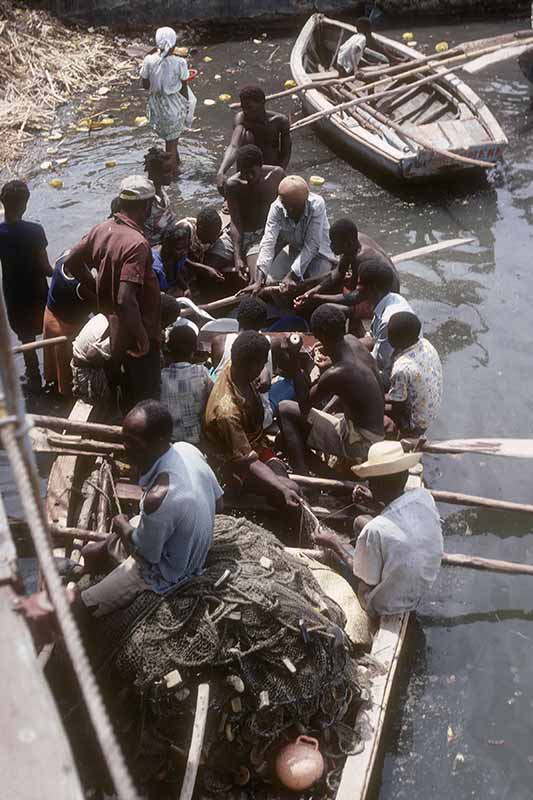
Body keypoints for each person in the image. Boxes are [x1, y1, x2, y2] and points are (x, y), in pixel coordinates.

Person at [80, 400, 223, 617]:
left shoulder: (158, 496)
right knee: (95, 549)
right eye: (124, 439)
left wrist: (120, 525)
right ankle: (92, 559)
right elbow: (219, 503)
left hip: (168, 573)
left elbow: (146, 557)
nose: (125, 448)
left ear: (159, 441)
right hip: (184, 545)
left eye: (133, 443)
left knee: (80, 606)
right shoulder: (187, 449)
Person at [65, 175, 162, 410]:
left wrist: (96, 288)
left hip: (113, 329)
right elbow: (126, 299)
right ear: (145, 206)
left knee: (119, 382)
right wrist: (142, 339)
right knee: (143, 397)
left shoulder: (101, 229)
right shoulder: (137, 243)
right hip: (135, 332)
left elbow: (71, 262)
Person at [313, 441, 443, 617]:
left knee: (337, 551)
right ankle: (365, 554)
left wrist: (334, 544)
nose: (369, 485)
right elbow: (398, 517)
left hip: (386, 603)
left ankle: (347, 556)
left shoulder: (375, 530)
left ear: (374, 485)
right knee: (360, 521)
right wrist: (375, 502)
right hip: (425, 583)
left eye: (371, 482)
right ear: (404, 476)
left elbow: (365, 578)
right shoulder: (424, 496)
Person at [278, 304, 384, 475]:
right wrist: (329, 359)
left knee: (284, 409)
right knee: (323, 409)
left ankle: (305, 477)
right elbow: (351, 383)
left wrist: (294, 361)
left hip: (362, 443)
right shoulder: (353, 341)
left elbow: (304, 406)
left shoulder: (338, 374)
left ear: (322, 336)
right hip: (375, 431)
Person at [204, 330, 301, 509]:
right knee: (288, 489)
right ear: (251, 365)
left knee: (288, 487)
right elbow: (247, 461)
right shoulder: (227, 411)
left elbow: (253, 362)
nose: (265, 367)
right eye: (262, 363)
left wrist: (263, 370)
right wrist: (280, 487)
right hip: (234, 466)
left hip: (257, 447)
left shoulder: (238, 365)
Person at [0, 180, 53, 392]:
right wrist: (64, 269)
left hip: (14, 293)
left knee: (26, 335)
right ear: (25, 205)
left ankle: (33, 376)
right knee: (50, 330)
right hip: (37, 291)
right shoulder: (35, 231)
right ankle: (54, 373)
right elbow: (45, 268)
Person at [294, 218, 399, 317]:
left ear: (348, 244)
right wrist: (313, 290)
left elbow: (355, 297)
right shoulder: (354, 241)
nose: (331, 247)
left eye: (334, 243)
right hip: (375, 285)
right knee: (338, 285)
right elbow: (337, 274)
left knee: (328, 308)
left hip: (383, 298)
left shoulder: (361, 258)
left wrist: (319, 298)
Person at [251, 176, 336, 289]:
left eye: (295, 207)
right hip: (295, 251)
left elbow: (312, 246)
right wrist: (259, 280)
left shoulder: (317, 204)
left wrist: (291, 275)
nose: (290, 210)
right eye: (287, 206)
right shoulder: (276, 208)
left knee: (313, 285)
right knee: (270, 282)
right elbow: (268, 242)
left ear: (305, 200)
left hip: (320, 254)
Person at [225, 144, 285, 283]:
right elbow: (235, 221)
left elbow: (288, 207)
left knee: (256, 277)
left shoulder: (277, 175)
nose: (248, 177)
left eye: (252, 172)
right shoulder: (232, 185)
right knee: (212, 260)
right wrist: (237, 256)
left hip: (262, 237)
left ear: (261, 165)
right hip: (241, 235)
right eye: (243, 173)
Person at [216, 85, 291, 194]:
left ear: (262, 103)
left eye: (250, 107)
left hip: (271, 170)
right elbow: (234, 146)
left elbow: (285, 153)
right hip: (246, 173)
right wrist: (221, 171)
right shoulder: (241, 119)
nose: (247, 111)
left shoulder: (279, 121)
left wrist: (276, 176)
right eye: (244, 107)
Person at [353, 259, 414, 388]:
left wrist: (338, 356)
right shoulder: (393, 298)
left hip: (394, 378)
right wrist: (342, 343)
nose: (357, 288)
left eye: (360, 284)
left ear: (373, 288)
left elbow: (376, 364)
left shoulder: (388, 321)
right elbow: (373, 338)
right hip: (390, 363)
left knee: (346, 376)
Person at [42, 250, 96, 396]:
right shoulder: (81, 287)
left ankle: (52, 380)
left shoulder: (63, 256)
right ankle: (66, 392)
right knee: (66, 364)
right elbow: (99, 309)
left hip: (49, 316)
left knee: (51, 355)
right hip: (66, 329)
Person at [140, 27, 191, 171]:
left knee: (170, 140)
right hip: (173, 106)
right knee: (171, 146)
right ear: (174, 45)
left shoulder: (149, 60)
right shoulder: (180, 62)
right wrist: (186, 106)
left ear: (156, 44)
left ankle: (176, 163)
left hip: (156, 108)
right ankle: (173, 177)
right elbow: (184, 87)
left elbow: (145, 85)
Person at [386, 312, 443, 436]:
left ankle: (405, 435)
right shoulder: (426, 344)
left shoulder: (401, 368)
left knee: (374, 409)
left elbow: (397, 407)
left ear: (397, 339)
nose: (387, 335)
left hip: (415, 422)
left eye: (389, 333)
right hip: (430, 411)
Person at [161, 323, 213, 446]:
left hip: (170, 442)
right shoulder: (202, 372)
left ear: (169, 348)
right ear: (194, 349)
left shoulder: (160, 376)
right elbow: (214, 400)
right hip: (196, 441)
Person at [143, 146, 176, 246]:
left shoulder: (162, 191)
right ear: (155, 174)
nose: (172, 174)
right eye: (167, 171)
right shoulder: (146, 200)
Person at [152, 223, 191, 295]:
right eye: (179, 249)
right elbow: (153, 296)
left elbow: (176, 273)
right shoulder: (154, 268)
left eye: (186, 247)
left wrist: (186, 288)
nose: (185, 252)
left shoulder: (177, 257)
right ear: (167, 248)